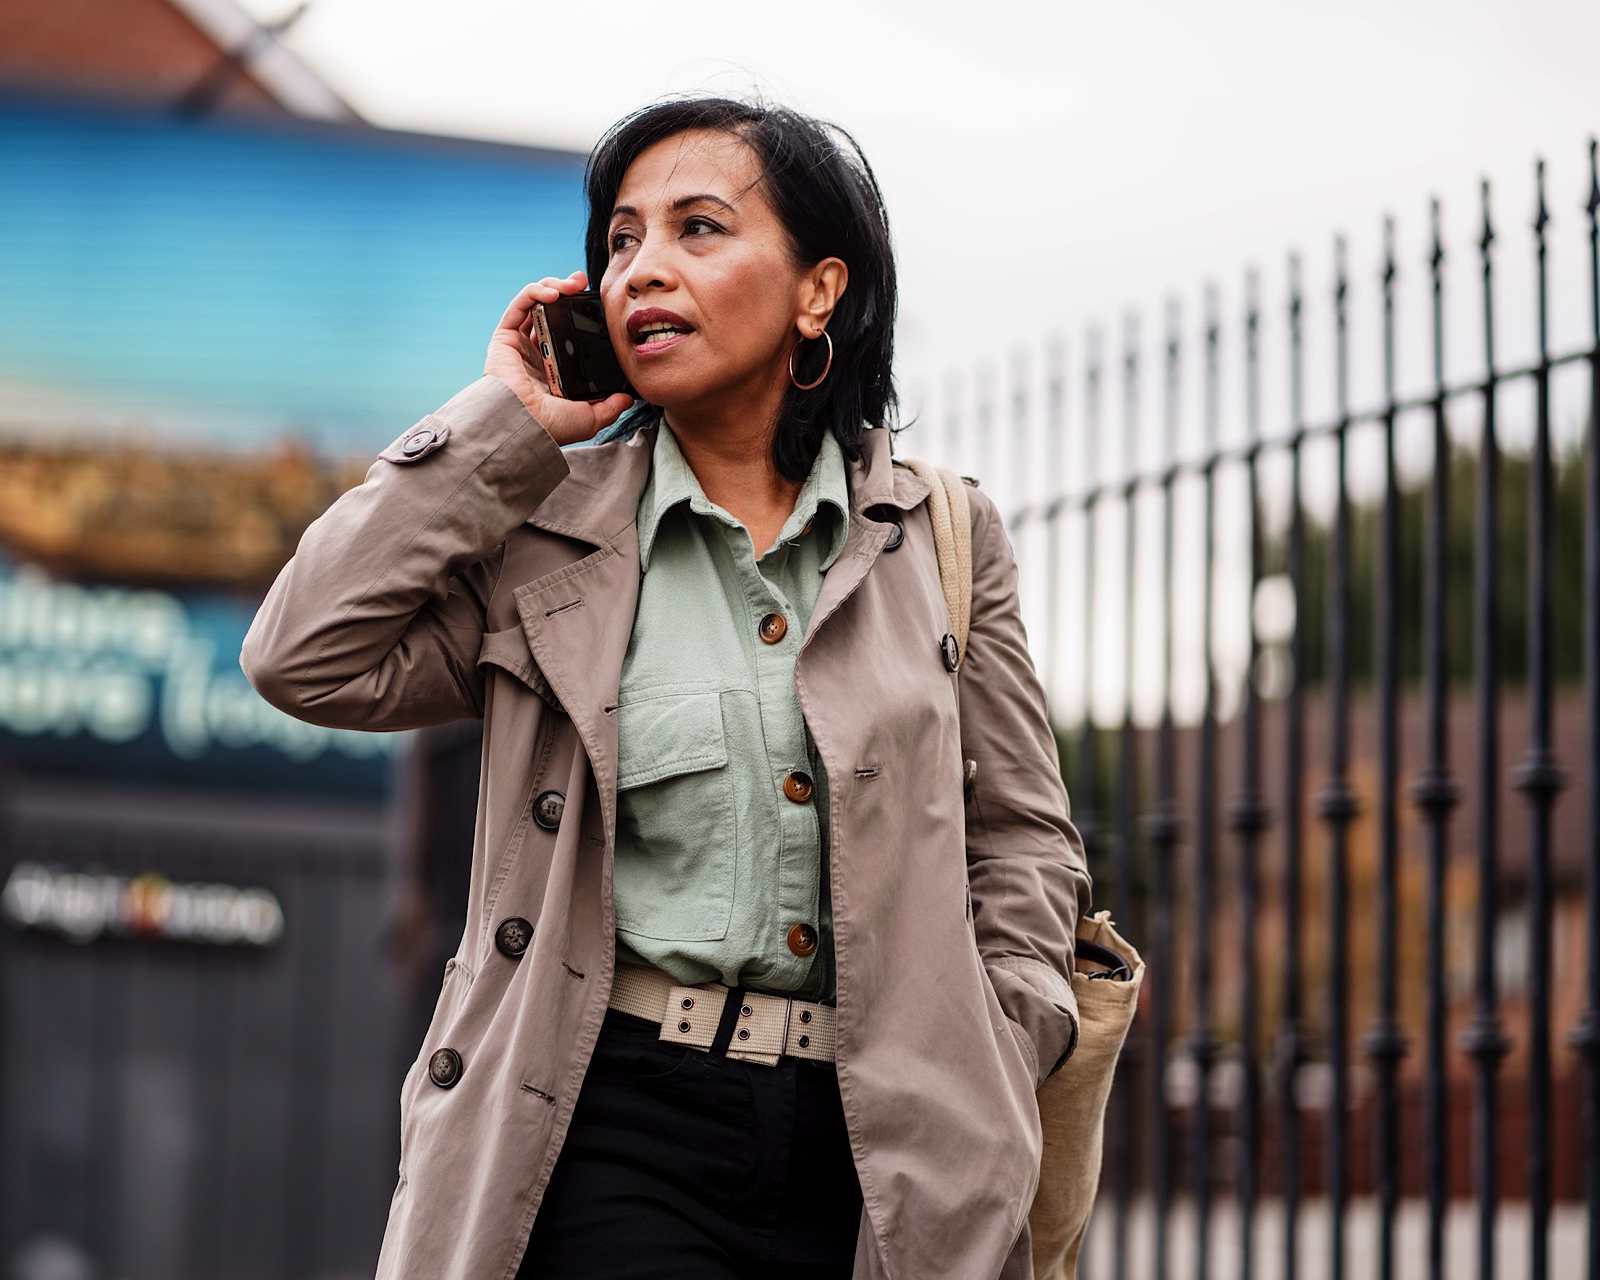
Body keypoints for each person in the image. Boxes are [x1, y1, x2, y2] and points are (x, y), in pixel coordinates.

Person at [242, 96, 1089, 1280]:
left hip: (894, 1148)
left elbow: (1025, 835)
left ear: (818, 291)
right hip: (611, 1123)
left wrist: (1008, 1026)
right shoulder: (540, 528)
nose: (644, 270)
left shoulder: (944, 534)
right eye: (622, 240)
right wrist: (504, 429)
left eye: (698, 229)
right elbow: (305, 650)